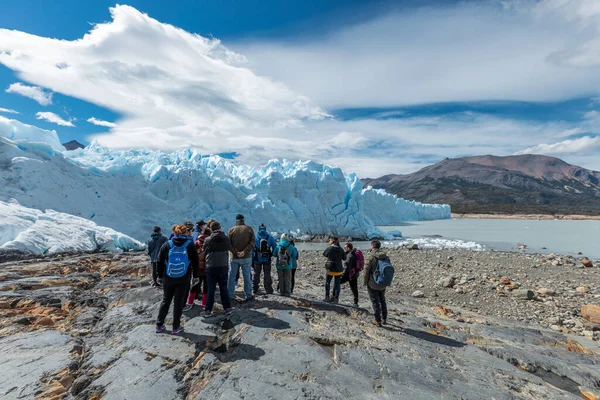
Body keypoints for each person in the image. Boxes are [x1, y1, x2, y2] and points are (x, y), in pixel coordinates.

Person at [155, 224, 200, 335]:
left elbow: (159, 261)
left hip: (168, 277)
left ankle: (159, 325)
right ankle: (175, 327)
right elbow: (195, 262)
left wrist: (159, 276)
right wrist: (196, 276)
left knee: (166, 300)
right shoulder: (189, 245)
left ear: (174, 232)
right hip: (184, 278)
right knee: (178, 302)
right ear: (185, 232)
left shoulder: (167, 244)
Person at [202, 221, 233, 316]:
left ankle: (208, 310)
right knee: (223, 288)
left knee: (211, 289)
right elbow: (229, 248)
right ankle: (227, 308)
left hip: (211, 267)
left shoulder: (207, 240)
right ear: (220, 228)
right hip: (223, 266)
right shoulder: (227, 239)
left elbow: (205, 251)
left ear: (211, 229)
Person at [227, 214, 255, 302]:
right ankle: (248, 295)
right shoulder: (249, 229)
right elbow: (252, 243)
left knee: (232, 276)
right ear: (243, 220)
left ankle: (230, 294)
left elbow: (228, 244)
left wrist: (236, 252)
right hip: (246, 257)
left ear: (236, 220)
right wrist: (244, 251)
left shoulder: (231, 230)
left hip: (234, 257)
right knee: (247, 276)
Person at [184, 224, 210, 311]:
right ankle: (204, 304)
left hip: (197, 267)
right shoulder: (210, 242)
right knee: (206, 286)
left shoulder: (196, 243)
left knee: (195, 285)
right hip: (207, 267)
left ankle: (190, 302)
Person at [364, 240, 389, 327]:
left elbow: (366, 271)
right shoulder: (385, 256)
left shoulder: (371, 257)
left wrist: (365, 282)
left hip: (372, 282)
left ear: (372, 246)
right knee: (382, 300)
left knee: (375, 301)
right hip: (383, 282)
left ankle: (377, 320)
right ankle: (384, 318)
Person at [253, 223, 276, 295]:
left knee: (256, 274)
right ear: (265, 229)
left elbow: (252, 250)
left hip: (257, 259)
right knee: (267, 274)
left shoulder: (256, 238)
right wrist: (272, 254)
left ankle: (255, 289)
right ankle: (268, 289)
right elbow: (275, 247)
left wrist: (252, 260)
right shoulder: (270, 237)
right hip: (267, 258)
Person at [323, 236, 345, 303]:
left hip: (330, 269)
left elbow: (324, 254)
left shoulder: (329, 248)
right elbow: (344, 258)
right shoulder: (341, 249)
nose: (329, 241)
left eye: (330, 240)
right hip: (338, 269)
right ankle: (336, 298)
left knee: (327, 283)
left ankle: (327, 297)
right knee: (337, 284)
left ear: (332, 241)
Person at [341, 242, 360, 307]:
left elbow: (347, 266)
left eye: (345, 247)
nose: (344, 249)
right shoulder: (353, 253)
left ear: (348, 248)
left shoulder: (350, 255)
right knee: (354, 288)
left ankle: (334, 297)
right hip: (355, 274)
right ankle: (356, 302)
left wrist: (343, 275)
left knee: (337, 283)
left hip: (350, 274)